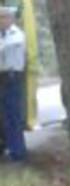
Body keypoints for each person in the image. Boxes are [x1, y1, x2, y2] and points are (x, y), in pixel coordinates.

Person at [0, 4, 27, 163]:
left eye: (3, 17)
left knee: (13, 115)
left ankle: (18, 153)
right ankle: (8, 148)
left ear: (11, 19)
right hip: (2, 77)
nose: (1, 20)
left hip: (12, 77)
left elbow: (4, 48)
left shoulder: (17, 34)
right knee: (4, 116)